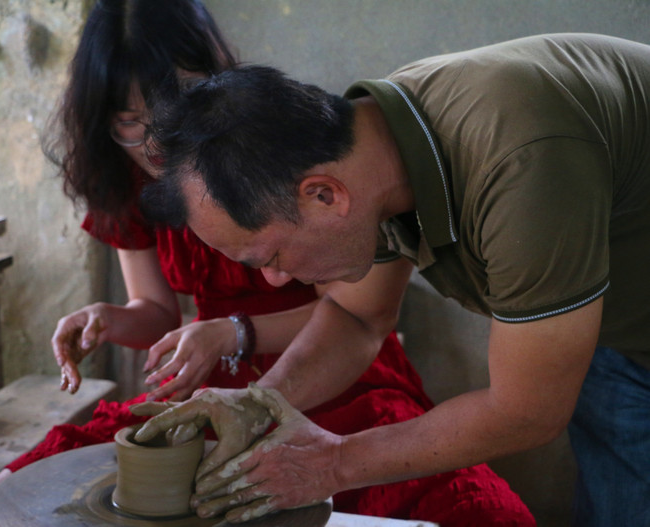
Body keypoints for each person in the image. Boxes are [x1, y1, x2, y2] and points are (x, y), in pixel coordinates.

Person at [0, 1, 537, 525]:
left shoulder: (282, 148)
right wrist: (110, 318)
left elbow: (353, 313)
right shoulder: (129, 186)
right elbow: (156, 311)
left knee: (477, 511)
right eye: (132, 121)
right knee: (22, 489)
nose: (157, 145)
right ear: (101, 118)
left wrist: (234, 334)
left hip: (332, 371)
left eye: (176, 107)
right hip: (213, 388)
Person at [134, 34, 650, 526]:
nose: (272, 280)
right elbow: (357, 316)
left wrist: (333, 464)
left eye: (272, 254)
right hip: (616, 326)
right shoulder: (366, 149)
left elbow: (527, 412)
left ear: (324, 196)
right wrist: (258, 401)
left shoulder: (521, 162)